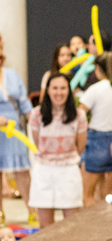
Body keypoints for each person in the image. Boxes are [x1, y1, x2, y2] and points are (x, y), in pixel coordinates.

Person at [28, 73, 87, 228]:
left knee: (72, 224)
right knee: (45, 226)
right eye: (54, 88)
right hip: (44, 170)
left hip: (68, 170)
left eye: (63, 88)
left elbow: (81, 146)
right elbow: (37, 142)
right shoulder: (37, 114)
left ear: (69, 90)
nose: (59, 92)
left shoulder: (79, 115)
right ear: (47, 90)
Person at [80, 52, 112, 206]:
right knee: (106, 195)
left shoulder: (95, 89)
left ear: (97, 68)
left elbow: (80, 114)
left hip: (96, 140)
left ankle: (91, 221)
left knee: (87, 195)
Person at [0, 34, 36, 227]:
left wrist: (36, 121)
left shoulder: (12, 75)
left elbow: (24, 102)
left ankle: (32, 211)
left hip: (14, 130)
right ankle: (0, 215)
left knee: (22, 171)